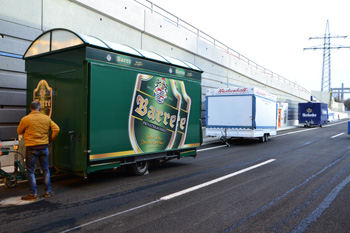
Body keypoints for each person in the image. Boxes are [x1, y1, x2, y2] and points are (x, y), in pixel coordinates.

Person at [17, 101, 60, 200]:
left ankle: (33, 193)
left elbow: (19, 131)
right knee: (45, 169)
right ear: (39, 108)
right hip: (44, 148)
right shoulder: (46, 118)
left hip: (31, 148)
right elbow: (56, 129)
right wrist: (51, 139)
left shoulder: (25, 119)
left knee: (31, 171)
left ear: (30, 108)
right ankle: (48, 192)